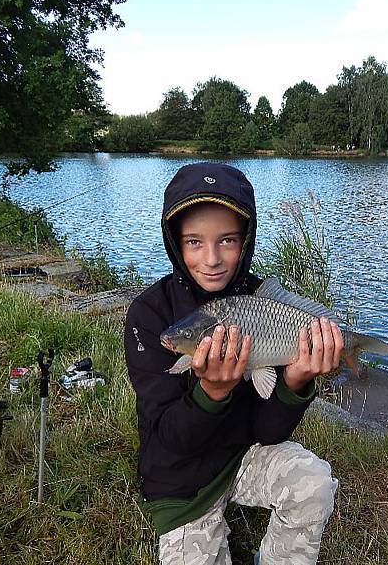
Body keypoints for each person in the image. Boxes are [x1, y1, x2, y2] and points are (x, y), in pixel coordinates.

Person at [125, 162, 342, 565]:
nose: (211, 258)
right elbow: (172, 440)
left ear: (246, 241)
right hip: (181, 484)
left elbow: (267, 430)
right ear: (175, 242)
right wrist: (212, 391)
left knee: (313, 481)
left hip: (243, 455)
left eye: (227, 240)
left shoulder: (262, 302)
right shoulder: (150, 315)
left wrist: (293, 382)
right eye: (193, 242)